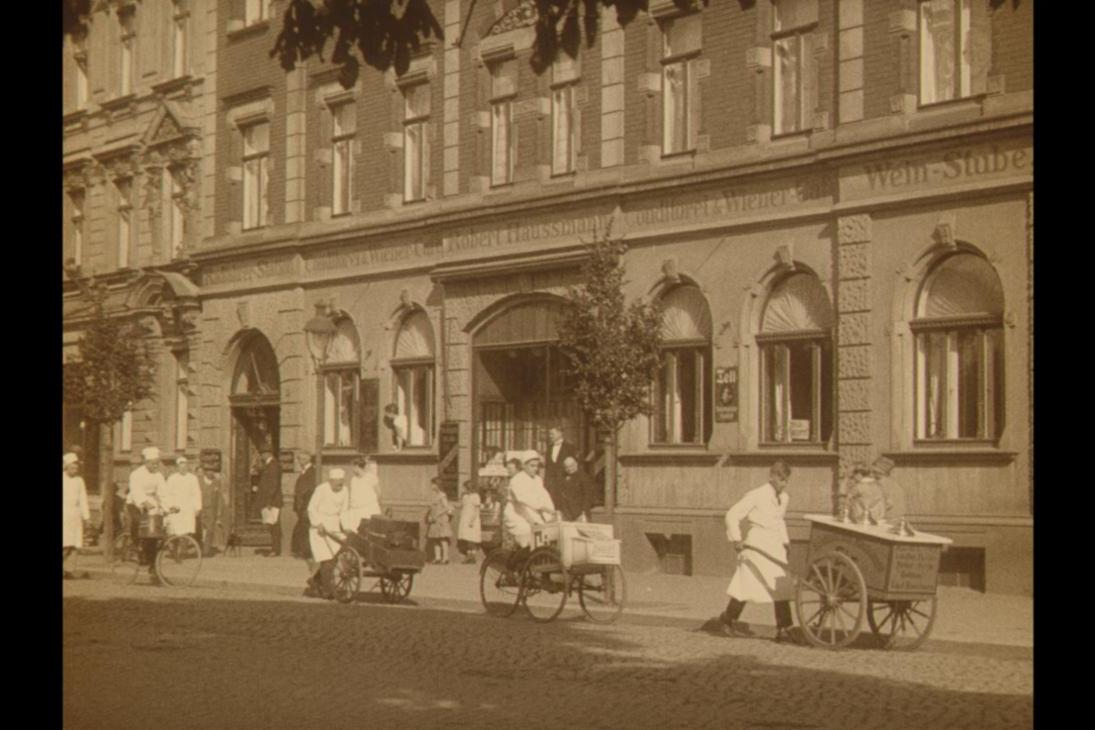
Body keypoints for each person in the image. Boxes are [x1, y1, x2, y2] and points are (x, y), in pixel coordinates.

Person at [720, 461, 798, 644]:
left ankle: (783, 628)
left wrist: (786, 542)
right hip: (756, 546)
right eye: (780, 479)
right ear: (771, 476)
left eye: (786, 480)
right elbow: (732, 514)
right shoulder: (757, 495)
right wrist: (736, 539)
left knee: (779, 586)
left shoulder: (784, 498)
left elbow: (780, 521)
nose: (783, 483)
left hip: (775, 546)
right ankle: (727, 620)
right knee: (748, 585)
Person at [305, 468, 350, 599]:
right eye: (337, 482)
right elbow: (311, 508)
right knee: (326, 559)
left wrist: (346, 527)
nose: (339, 485)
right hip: (319, 528)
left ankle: (315, 580)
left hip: (334, 525)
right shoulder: (321, 489)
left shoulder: (345, 490)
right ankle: (327, 590)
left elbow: (344, 511)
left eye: (342, 482)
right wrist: (318, 523)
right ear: (330, 481)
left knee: (335, 556)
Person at [502, 451, 556, 552]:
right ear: (523, 465)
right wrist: (544, 508)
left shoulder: (538, 480)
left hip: (531, 513)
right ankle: (523, 559)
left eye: (537, 466)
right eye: (532, 466)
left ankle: (535, 560)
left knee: (544, 533)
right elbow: (524, 499)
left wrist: (551, 512)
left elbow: (544, 496)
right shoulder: (516, 480)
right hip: (516, 513)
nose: (535, 469)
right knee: (527, 533)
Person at [127, 447, 167, 580]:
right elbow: (136, 491)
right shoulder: (136, 474)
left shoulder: (159, 476)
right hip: (135, 503)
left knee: (153, 535)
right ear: (146, 462)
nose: (155, 466)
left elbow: (163, 493)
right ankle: (134, 547)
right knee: (139, 523)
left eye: (157, 463)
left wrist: (170, 506)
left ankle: (153, 567)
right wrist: (143, 502)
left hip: (152, 503)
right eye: (153, 463)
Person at [63, 453, 90, 579]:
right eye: (72, 468)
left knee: (74, 544)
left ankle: (69, 570)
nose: (75, 470)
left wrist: (86, 517)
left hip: (75, 516)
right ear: (66, 467)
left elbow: (83, 499)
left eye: (76, 468)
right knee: (64, 544)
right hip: (63, 515)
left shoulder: (79, 481)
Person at [163, 456, 202, 541]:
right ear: (177, 468)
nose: (183, 469)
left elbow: (196, 493)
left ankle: (183, 551)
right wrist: (169, 506)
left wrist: (197, 508)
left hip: (188, 508)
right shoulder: (172, 478)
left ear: (187, 467)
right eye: (181, 467)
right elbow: (167, 494)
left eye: (185, 467)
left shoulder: (192, 478)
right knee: (174, 531)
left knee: (186, 532)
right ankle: (174, 550)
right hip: (176, 508)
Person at [342, 454, 383, 533]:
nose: (352, 470)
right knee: (355, 533)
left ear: (357, 467)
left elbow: (379, 494)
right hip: (355, 511)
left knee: (369, 532)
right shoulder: (353, 479)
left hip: (369, 510)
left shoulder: (371, 477)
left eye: (353, 467)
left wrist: (376, 507)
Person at [543, 427, 578, 509]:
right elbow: (548, 465)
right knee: (551, 500)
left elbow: (573, 464)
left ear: (560, 433)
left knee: (564, 501)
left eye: (552, 434)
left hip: (564, 478)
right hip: (551, 480)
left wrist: (570, 477)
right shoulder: (550, 447)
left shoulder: (569, 447)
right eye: (549, 434)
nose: (550, 436)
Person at [257, 448, 283, 557]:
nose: (260, 455)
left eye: (262, 453)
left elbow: (273, 484)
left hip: (272, 501)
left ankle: (275, 549)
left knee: (274, 525)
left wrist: (269, 500)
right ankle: (274, 548)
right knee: (271, 525)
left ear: (268, 453)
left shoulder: (273, 465)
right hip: (270, 500)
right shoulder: (269, 464)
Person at [291, 453, 316, 560]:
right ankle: (303, 551)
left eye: (301, 459)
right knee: (302, 529)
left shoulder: (311, 471)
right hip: (301, 505)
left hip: (306, 505)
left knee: (305, 529)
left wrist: (304, 505)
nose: (299, 461)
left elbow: (309, 489)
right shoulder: (304, 471)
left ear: (307, 459)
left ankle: (306, 553)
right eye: (298, 458)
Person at [197, 465, 226, 556]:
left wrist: (219, 511)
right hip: (200, 508)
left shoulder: (216, 482)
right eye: (209, 471)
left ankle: (206, 550)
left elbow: (219, 498)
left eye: (213, 471)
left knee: (210, 529)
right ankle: (199, 548)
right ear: (205, 472)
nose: (211, 473)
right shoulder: (199, 481)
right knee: (198, 529)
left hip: (211, 509)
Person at [557, 456, 597, 522]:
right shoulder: (563, 478)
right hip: (567, 514)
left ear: (576, 464)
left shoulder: (584, 477)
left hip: (580, 514)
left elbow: (588, 496)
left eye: (571, 466)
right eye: (567, 467)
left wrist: (583, 512)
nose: (569, 469)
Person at [425, 477, 454, 564]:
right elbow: (431, 508)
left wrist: (438, 514)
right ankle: (437, 557)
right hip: (434, 520)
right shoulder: (434, 495)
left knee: (442, 539)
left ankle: (445, 558)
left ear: (437, 485)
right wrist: (430, 516)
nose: (431, 486)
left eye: (433, 484)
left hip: (441, 520)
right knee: (435, 539)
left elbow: (447, 507)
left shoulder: (442, 495)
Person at [871, 456, 906, 522]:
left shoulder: (886, 484)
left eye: (874, 472)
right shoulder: (885, 482)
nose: (872, 474)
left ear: (881, 472)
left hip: (889, 520)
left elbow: (888, 504)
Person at [457, 479, 482, 564]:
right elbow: (461, 506)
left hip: (472, 519)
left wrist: (472, 520)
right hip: (465, 518)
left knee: (472, 538)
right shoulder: (465, 497)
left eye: (465, 488)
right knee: (467, 538)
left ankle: (472, 556)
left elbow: (477, 510)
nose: (464, 489)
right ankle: (469, 555)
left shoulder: (476, 496)